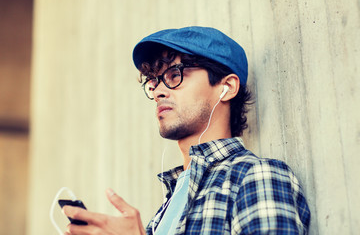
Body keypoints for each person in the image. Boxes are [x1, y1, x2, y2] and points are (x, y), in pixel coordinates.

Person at [63, 26, 311, 234]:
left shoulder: (255, 176)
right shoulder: (167, 207)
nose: (159, 91)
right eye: (154, 81)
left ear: (227, 87)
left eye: (174, 75)